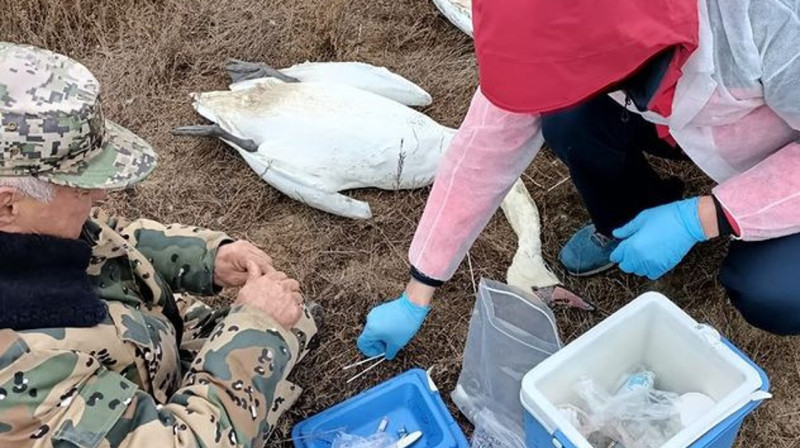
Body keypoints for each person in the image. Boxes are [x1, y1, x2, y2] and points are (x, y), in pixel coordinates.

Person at [358, 0, 800, 359]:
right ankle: (627, 219)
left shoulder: (773, 18)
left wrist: (706, 216)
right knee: (569, 119)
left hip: (780, 141)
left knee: (775, 290)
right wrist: (420, 286)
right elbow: (484, 149)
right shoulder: (543, 18)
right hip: (685, 113)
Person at [0, 42, 319, 447]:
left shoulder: (27, 219)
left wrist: (205, 257)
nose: (99, 198)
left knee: (294, 320)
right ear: (7, 205)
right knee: (272, 336)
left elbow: (106, 234)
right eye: (82, 189)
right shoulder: (16, 377)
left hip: (152, 345)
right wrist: (254, 330)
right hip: (158, 424)